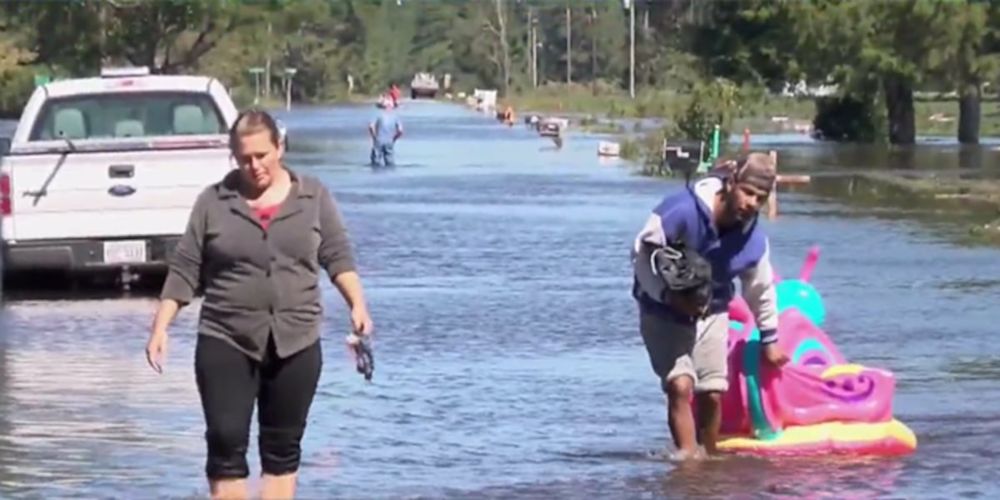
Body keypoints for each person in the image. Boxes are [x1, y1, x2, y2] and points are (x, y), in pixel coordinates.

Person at [145, 109, 374, 499]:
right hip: (226, 337)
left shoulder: (312, 196)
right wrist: (160, 327)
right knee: (225, 439)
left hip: (296, 339)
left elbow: (337, 255)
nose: (255, 166)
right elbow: (186, 268)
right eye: (244, 158)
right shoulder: (213, 202)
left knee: (282, 451)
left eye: (262, 155)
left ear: (279, 148)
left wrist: (357, 304)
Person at [631, 152, 789, 459]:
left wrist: (770, 338)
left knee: (712, 393)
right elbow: (641, 256)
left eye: (760, 198)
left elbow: (760, 288)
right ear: (731, 184)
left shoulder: (752, 239)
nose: (751, 204)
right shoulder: (681, 211)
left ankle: (709, 461)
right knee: (680, 386)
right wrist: (667, 295)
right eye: (747, 192)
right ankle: (687, 466)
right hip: (660, 309)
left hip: (712, 309)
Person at [368, 96, 403, 167]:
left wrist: (374, 137)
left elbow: (371, 126)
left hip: (379, 140)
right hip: (389, 141)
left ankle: (375, 176)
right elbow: (400, 131)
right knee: (390, 163)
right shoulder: (395, 116)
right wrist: (394, 139)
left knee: (375, 162)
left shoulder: (377, 114)